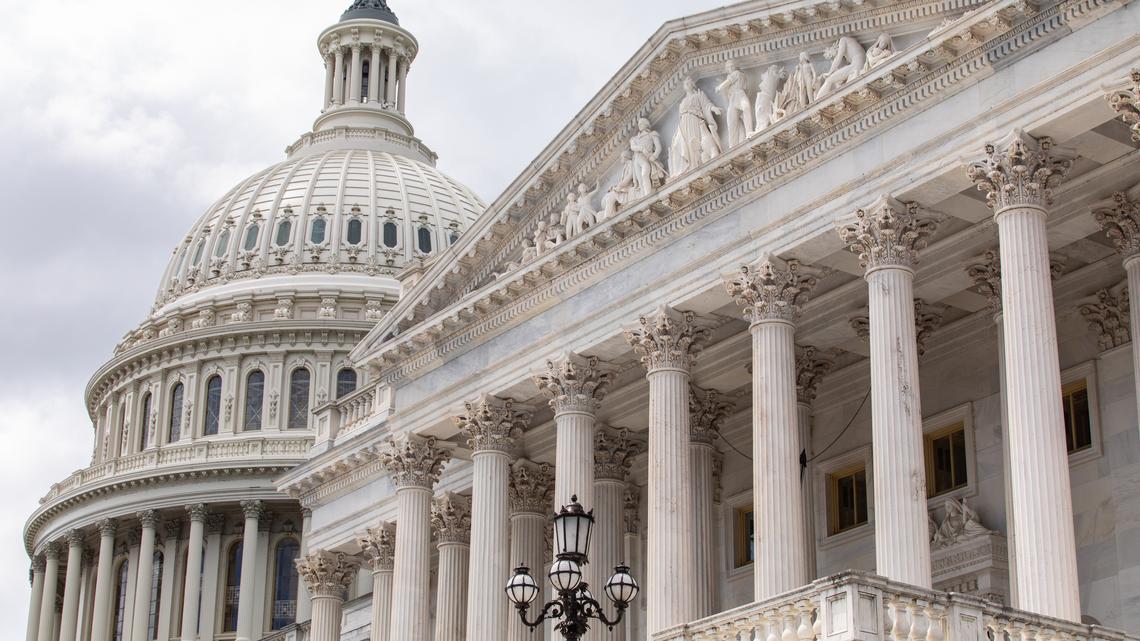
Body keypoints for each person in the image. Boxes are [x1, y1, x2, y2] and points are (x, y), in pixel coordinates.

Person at [670, 76, 722, 176]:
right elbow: (680, 117)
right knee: (680, 144)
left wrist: (714, 108)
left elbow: (707, 104)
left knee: (695, 141)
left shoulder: (698, 94)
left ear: (693, 84)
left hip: (695, 120)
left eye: (689, 82)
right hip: (684, 125)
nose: (687, 84)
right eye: (686, 83)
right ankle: (689, 166)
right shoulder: (683, 102)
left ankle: (698, 163)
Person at [716, 60, 754, 147]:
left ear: (736, 66)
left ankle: (749, 131)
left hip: (739, 94)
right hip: (733, 99)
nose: (730, 68)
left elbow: (728, 82)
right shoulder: (735, 75)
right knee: (731, 120)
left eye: (732, 66)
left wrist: (719, 87)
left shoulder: (737, 73)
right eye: (728, 67)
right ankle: (732, 144)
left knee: (746, 108)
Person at [629, 117, 666, 197]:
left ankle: (648, 195)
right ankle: (644, 196)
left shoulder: (652, 134)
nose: (640, 125)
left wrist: (654, 156)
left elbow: (658, 148)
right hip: (637, 159)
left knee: (644, 174)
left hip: (647, 158)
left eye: (641, 123)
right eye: (639, 124)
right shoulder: (634, 138)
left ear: (646, 124)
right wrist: (641, 149)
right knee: (640, 179)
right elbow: (633, 147)